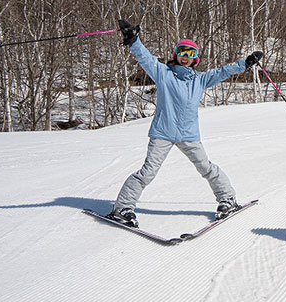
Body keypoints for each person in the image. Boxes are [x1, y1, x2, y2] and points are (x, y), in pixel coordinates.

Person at [107, 19, 262, 227]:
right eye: (182, 52)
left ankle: (227, 199)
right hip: (163, 132)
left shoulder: (200, 79)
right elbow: (146, 59)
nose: (185, 57)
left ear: (195, 58)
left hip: (189, 134)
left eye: (190, 53)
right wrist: (133, 40)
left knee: (206, 167)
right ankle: (122, 207)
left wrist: (245, 64)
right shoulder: (163, 74)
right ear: (176, 55)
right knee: (148, 172)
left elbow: (223, 71)